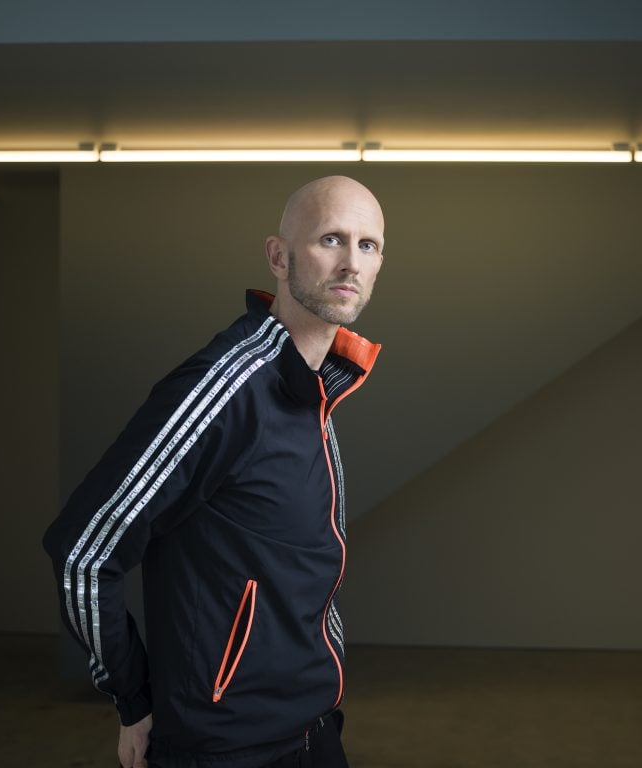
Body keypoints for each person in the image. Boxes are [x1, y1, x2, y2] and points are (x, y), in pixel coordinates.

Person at [43, 176, 386, 768]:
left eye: (368, 245)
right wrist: (133, 698)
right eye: (331, 238)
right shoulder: (226, 388)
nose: (350, 262)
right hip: (224, 747)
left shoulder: (315, 391)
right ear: (279, 257)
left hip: (313, 730)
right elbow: (83, 550)